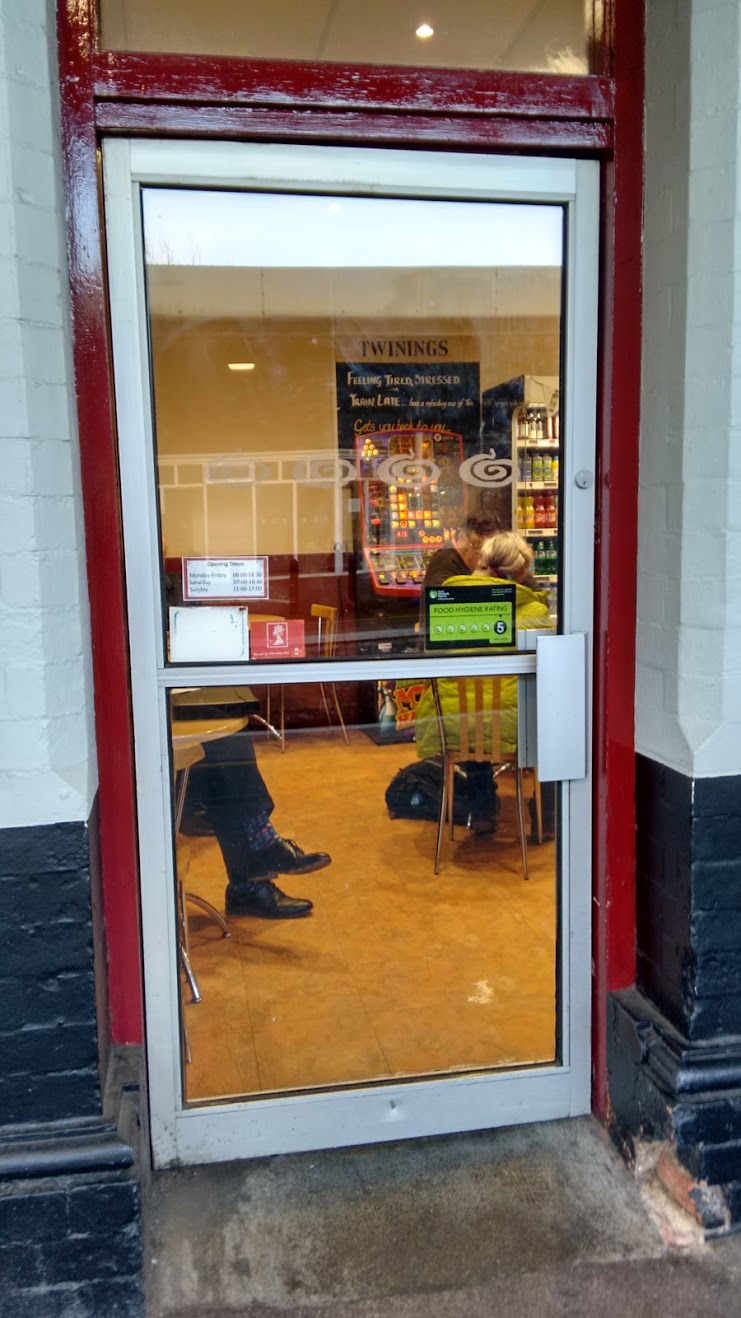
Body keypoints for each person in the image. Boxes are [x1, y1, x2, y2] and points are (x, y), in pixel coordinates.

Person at [165, 561, 328, 919]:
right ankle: (257, 859)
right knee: (221, 756)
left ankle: (252, 875)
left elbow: (184, 628)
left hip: (169, 717)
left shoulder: (166, 583)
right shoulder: (127, 585)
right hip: (141, 747)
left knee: (223, 752)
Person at [414, 531, 552, 832]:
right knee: (551, 716)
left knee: (473, 721)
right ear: (521, 572)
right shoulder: (533, 611)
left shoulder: (447, 604)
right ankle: (548, 816)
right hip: (513, 728)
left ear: (480, 561)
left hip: (453, 724)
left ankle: (483, 810)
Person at [422, 512, 501, 589]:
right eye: (477, 546)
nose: (483, 563)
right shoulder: (444, 562)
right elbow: (443, 599)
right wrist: (477, 581)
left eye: (490, 550)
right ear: (461, 536)